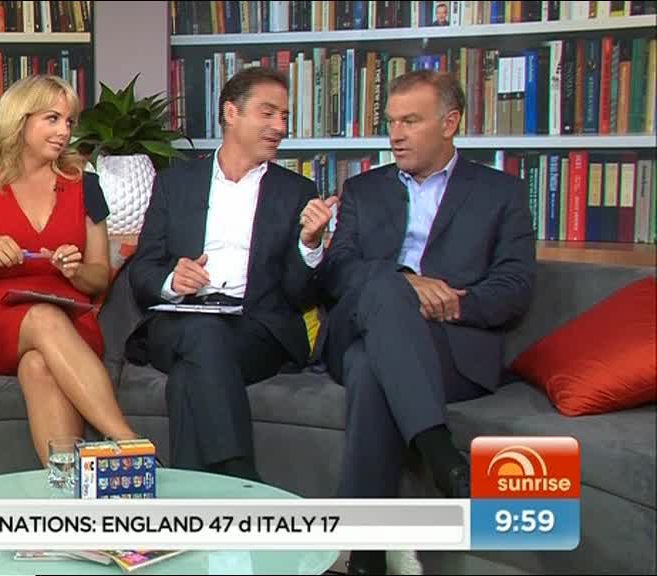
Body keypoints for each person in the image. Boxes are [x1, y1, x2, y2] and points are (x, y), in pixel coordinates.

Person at [319, 70, 535, 574]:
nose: (395, 135)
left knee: (370, 369)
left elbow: (514, 287)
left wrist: (448, 303)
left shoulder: (501, 192)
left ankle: (364, 557)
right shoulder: (363, 189)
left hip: (448, 347)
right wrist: (406, 283)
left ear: (449, 123)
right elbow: (337, 271)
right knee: (385, 284)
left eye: (410, 121)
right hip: (360, 322)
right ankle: (442, 455)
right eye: (391, 122)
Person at [127, 67, 337, 481]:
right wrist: (172, 281)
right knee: (202, 334)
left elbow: (299, 295)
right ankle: (241, 477)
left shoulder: (296, 191)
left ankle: (197, 495)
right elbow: (144, 271)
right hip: (179, 320)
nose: (280, 127)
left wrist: (309, 245)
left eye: (284, 116)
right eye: (268, 113)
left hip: (254, 329)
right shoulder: (175, 184)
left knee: (188, 378)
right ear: (230, 113)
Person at [0, 75, 138, 466]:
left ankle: (69, 486)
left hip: (71, 323)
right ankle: (128, 442)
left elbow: (99, 278)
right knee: (42, 318)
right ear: (21, 119)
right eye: (52, 119)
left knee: (38, 365)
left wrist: (75, 271)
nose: (64, 131)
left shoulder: (86, 187)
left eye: (69, 121)